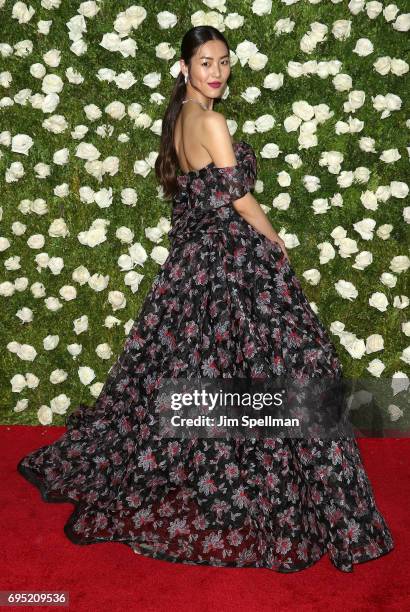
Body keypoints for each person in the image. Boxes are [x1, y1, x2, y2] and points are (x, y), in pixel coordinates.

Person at [17, 25, 394, 573]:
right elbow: (239, 198)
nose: (216, 72)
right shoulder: (212, 121)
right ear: (184, 68)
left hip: (194, 264)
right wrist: (275, 240)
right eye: (206, 63)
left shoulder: (178, 121)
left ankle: (227, 471)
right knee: (292, 366)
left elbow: (191, 201)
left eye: (223, 62)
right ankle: (291, 497)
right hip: (230, 261)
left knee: (208, 372)